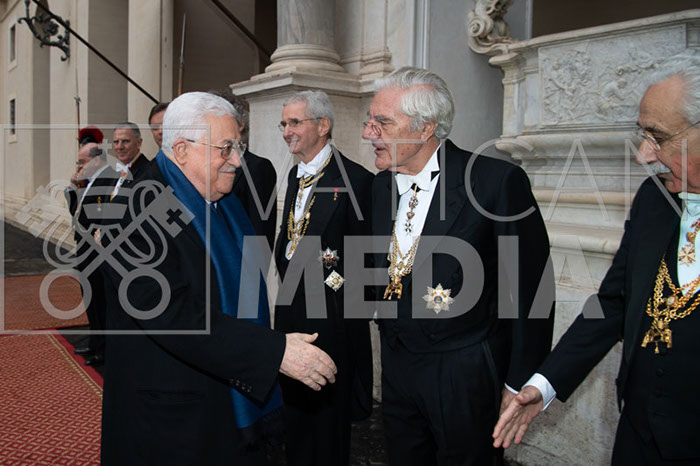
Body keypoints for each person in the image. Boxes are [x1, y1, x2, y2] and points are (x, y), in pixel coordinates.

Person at [99, 92, 338, 465]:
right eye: (225, 149)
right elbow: (173, 315)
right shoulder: (135, 214)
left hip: (221, 400)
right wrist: (273, 351)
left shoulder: (222, 202)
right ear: (182, 150)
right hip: (171, 418)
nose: (237, 161)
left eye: (237, 147)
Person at [493, 52, 700, 464]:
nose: (644, 155)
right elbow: (613, 303)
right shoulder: (654, 199)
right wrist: (544, 384)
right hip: (638, 438)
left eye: (658, 137)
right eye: (643, 135)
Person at [361, 67, 555, 465]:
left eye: (382, 123)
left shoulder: (495, 182)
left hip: (464, 372)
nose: (368, 133)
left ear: (425, 128)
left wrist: (519, 381)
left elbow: (532, 290)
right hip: (397, 364)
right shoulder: (379, 186)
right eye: (370, 121)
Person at [274, 90, 374, 466]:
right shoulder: (294, 175)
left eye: (294, 122)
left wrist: (343, 303)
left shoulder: (357, 180)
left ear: (323, 125)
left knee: (328, 420)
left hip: (332, 318)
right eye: (284, 123)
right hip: (291, 311)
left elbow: (366, 257)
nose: (287, 131)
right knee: (295, 413)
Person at [66, 142, 118, 366]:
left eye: (82, 161)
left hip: (98, 250)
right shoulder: (89, 180)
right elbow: (76, 212)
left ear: (96, 161)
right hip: (84, 247)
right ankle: (95, 343)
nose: (79, 166)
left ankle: (104, 349)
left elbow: (101, 214)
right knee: (90, 298)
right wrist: (74, 187)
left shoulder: (109, 179)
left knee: (100, 300)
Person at [210, 89, 277, 249]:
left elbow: (260, 231)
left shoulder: (258, 167)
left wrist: (253, 266)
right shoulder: (204, 165)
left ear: (240, 124)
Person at [111, 122, 150, 197]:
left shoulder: (147, 172)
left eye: (125, 141)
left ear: (139, 143)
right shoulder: (115, 172)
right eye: (116, 142)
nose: (119, 147)